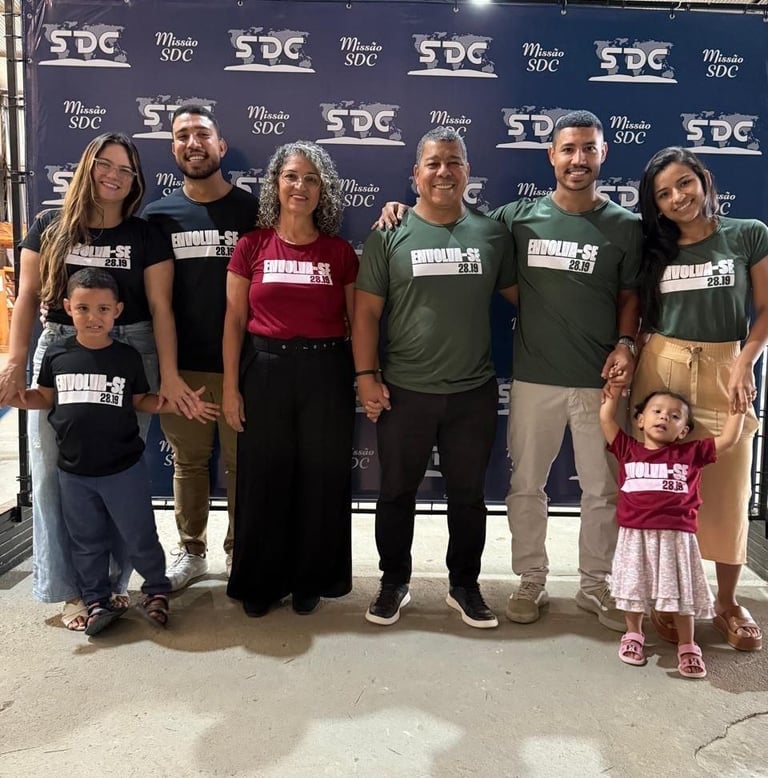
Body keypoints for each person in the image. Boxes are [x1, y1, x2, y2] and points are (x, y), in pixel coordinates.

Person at [377, 111, 642, 631]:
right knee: (526, 487)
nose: (578, 160)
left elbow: (631, 294)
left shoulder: (627, 226)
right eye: (569, 149)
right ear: (552, 155)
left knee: (603, 490)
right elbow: (449, 216)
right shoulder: (515, 219)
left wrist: (628, 343)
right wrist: (400, 209)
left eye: (589, 149)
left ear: (603, 154)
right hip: (534, 377)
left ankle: (596, 585)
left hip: (601, 382)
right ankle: (530, 580)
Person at [0, 132, 202, 631]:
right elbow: (28, 296)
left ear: (135, 182)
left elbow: (161, 309)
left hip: (131, 352)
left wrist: (169, 376)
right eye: (104, 165)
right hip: (61, 349)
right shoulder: (49, 226)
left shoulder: (146, 234)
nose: (113, 176)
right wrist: (15, 360)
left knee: (118, 475)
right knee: (55, 478)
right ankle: (73, 591)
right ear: (86, 168)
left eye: (125, 169)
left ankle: (111, 587)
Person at [354, 127, 516, 629]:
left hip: (473, 392)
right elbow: (365, 314)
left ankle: (464, 586)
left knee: (468, 497)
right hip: (404, 391)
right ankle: (392, 582)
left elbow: (529, 300)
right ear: (416, 174)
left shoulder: (493, 233)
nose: (444, 172)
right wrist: (366, 376)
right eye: (433, 163)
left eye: (454, 162)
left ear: (468, 171)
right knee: (395, 493)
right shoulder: (389, 232)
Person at [6, 269, 219, 635]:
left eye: (103, 309)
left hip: (124, 471)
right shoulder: (56, 354)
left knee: (139, 536)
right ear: (67, 308)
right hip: (74, 474)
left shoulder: (127, 357)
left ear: (117, 310)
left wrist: (174, 405)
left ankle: (155, 590)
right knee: (85, 541)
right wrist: (17, 398)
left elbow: (140, 401)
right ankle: (96, 601)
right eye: (83, 308)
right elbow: (44, 397)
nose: (94, 317)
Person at [633, 146, 768, 652]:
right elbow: (638, 313)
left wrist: (745, 360)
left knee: (730, 488)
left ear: (704, 179)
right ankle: (669, 595)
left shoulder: (748, 233)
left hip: (725, 367)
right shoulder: (652, 248)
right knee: (665, 491)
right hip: (661, 368)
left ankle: (727, 602)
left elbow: (765, 308)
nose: (677, 198)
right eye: (663, 194)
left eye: (684, 183)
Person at [222, 140, 357, 617]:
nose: (300, 186)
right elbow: (234, 320)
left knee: (320, 477)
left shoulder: (339, 252)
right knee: (264, 477)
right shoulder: (251, 245)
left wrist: (366, 374)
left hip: (326, 372)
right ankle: (261, 582)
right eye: (291, 176)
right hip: (264, 370)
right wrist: (231, 387)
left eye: (311, 179)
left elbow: (358, 322)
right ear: (275, 184)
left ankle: (310, 580)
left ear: (324, 190)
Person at [143, 104, 260, 590]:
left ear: (221, 146)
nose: (193, 143)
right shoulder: (157, 216)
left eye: (203, 134)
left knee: (242, 465)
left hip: (246, 367)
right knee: (189, 463)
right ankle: (191, 551)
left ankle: (241, 552)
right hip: (183, 368)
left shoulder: (255, 211)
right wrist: (168, 375)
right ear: (174, 148)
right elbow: (154, 302)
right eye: (183, 136)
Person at [600, 388, 745, 678]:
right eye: (656, 411)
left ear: (684, 431)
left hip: (676, 539)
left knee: (681, 595)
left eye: (675, 416)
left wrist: (739, 408)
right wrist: (614, 391)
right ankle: (633, 634)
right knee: (633, 590)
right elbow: (606, 419)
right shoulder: (627, 448)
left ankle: (688, 645)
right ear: (640, 420)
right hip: (635, 537)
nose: (664, 417)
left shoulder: (691, 453)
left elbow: (729, 439)